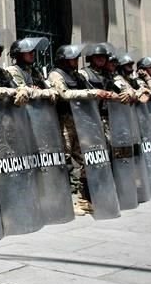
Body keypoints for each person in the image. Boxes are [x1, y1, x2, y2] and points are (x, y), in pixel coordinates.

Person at [48, 44, 118, 215]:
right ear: (63, 59)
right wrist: (92, 94)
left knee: (85, 160)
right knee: (63, 161)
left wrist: (110, 94)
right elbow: (64, 94)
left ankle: (84, 199)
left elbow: (92, 90)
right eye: (72, 58)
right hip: (64, 122)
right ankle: (60, 201)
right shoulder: (56, 74)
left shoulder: (78, 76)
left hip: (80, 121)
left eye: (76, 58)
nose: (75, 61)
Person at [6, 38, 58, 102]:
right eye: (29, 52)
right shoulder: (13, 70)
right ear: (20, 54)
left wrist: (40, 90)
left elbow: (48, 87)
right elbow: (23, 90)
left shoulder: (34, 71)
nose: (32, 54)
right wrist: (43, 92)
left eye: (33, 51)